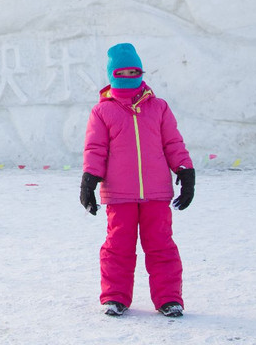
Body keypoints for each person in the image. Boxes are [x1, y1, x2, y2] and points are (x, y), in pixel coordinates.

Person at [80, 42, 195, 318]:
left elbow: (173, 143)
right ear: (112, 75)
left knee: (161, 245)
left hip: (156, 193)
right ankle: (115, 297)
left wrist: (185, 171)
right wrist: (89, 182)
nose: (130, 76)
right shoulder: (102, 111)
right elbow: (95, 149)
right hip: (119, 193)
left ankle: (168, 298)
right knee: (118, 246)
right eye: (123, 72)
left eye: (135, 71)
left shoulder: (159, 107)